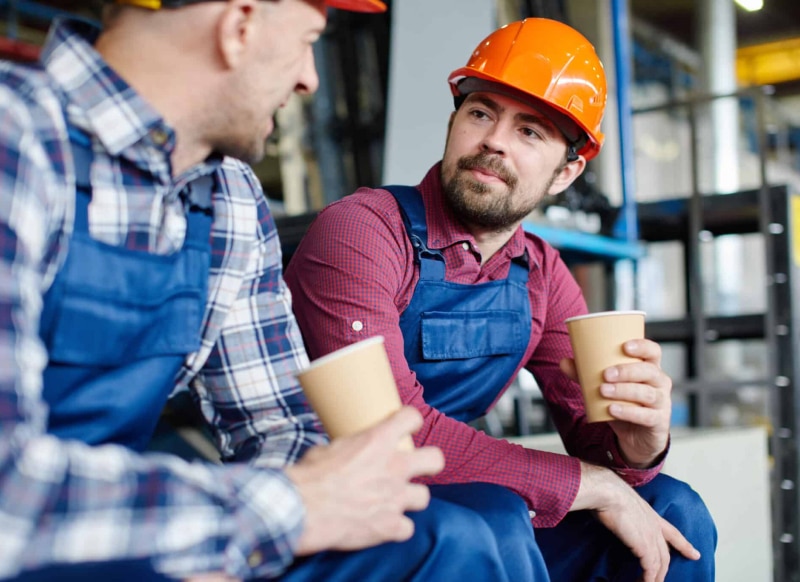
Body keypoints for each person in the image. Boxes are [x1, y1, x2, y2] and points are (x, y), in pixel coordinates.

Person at [0, 1, 526, 580]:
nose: (309, 77)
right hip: (31, 540)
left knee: (447, 540)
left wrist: (250, 535)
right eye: (306, 40)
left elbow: (278, 421)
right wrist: (276, 511)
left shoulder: (228, 194)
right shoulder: (16, 141)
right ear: (239, 25)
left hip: (152, 530)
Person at [285, 17, 718, 582]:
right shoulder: (362, 232)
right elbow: (386, 434)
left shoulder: (541, 272)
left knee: (673, 509)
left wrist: (635, 446)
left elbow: (605, 454)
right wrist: (590, 484)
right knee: (495, 518)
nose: (493, 140)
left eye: (530, 131)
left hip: (455, 498)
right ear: (455, 120)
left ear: (567, 173)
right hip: (336, 501)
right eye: (481, 112)